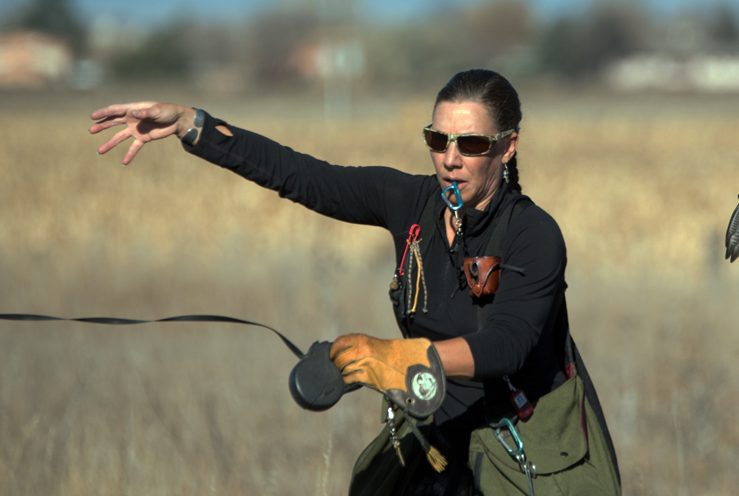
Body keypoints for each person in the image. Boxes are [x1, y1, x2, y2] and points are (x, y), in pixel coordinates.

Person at [90, 69, 621, 495]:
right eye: (438, 139)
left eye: (472, 143)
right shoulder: (409, 202)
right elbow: (302, 176)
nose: (450, 158)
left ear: (507, 147)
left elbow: (507, 344)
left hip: (524, 444)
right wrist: (192, 124)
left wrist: (395, 356)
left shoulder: (533, 233)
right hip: (437, 433)